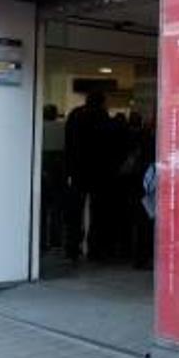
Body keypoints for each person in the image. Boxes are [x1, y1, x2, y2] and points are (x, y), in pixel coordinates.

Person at [64, 91, 109, 261]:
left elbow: (68, 143)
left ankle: (72, 247)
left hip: (77, 170)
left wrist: (68, 170)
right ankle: (94, 249)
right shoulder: (102, 116)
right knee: (98, 212)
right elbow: (106, 145)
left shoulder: (75, 115)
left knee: (74, 211)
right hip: (97, 171)